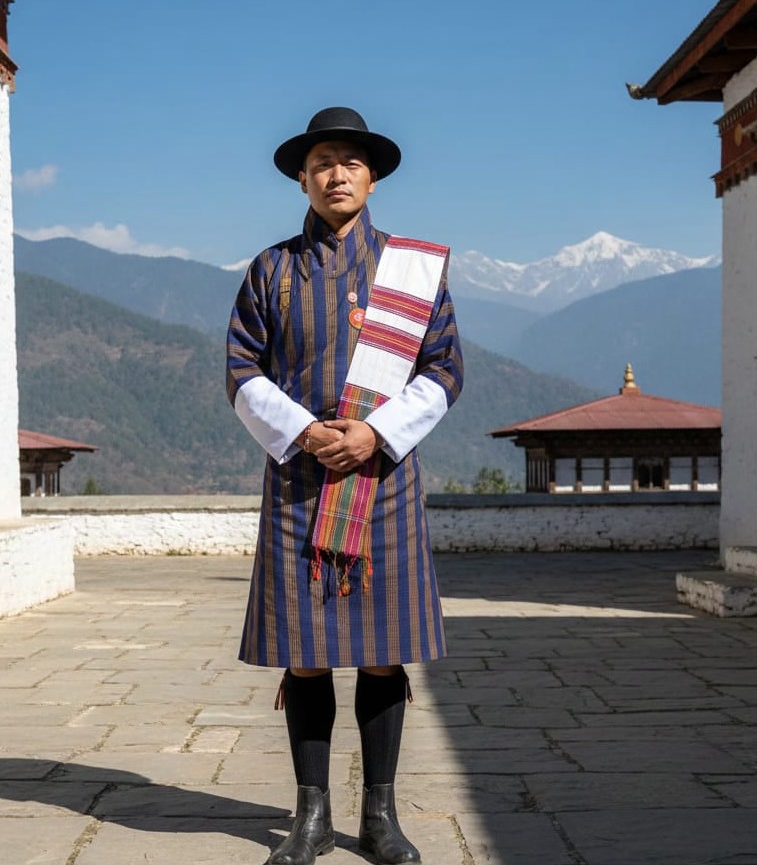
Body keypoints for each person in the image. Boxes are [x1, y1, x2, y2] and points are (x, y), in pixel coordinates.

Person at [226, 106, 463, 865]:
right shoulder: (270, 270)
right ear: (303, 174)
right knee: (306, 652)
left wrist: (372, 432)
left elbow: (444, 370)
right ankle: (311, 816)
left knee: (384, 652)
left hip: (381, 475)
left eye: (351, 162)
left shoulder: (411, 272)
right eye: (323, 161)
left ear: (372, 176)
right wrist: (306, 430)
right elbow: (240, 370)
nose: (337, 174)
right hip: (299, 477)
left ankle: (381, 817)